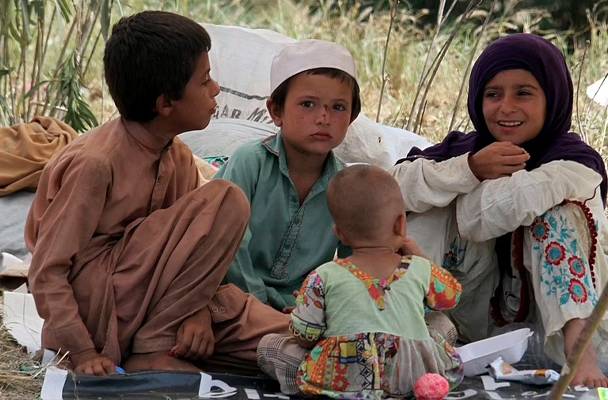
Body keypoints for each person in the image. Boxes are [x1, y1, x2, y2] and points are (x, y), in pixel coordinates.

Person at [25, 11, 288, 376]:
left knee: (288, 338)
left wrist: (196, 312)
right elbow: (46, 271)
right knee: (226, 199)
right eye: (205, 81)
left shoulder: (176, 155)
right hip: (99, 317)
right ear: (165, 104)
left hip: (156, 304)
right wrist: (82, 351)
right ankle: (154, 349)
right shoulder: (95, 164)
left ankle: (168, 338)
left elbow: (188, 256)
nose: (215, 90)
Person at [391, 33, 608, 388]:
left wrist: (464, 184)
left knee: (557, 214)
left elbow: (484, 216)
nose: (506, 107)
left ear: (552, 98)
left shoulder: (577, 162)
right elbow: (390, 188)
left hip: (550, 325)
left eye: (523, 93)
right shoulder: (464, 149)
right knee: (418, 207)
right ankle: (409, 328)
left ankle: (580, 351)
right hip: (468, 315)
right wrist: (470, 168)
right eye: (493, 94)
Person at [262, 165, 464, 397]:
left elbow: (306, 337)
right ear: (400, 224)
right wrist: (419, 255)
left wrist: (306, 312)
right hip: (413, 375)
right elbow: (451, 297)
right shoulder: (419, 268)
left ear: (339, 233)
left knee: (269, 347)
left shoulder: (323, 275)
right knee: (441, 323)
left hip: (346, 381)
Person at [215, 39, 361, 311]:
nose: (323, 118)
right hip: (234, 297)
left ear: (351, 117)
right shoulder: (250, 162)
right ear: (276, 111)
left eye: (338, 107)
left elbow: (359, 262)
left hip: (302, 312)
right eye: (308, 104)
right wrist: (258, 306)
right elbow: (228, 244)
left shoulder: (346, 188)